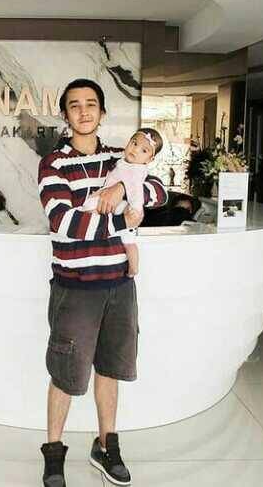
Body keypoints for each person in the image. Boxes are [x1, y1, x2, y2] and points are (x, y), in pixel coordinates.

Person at [37, 78, 167, 487]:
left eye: (91, 104)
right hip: (75, 286)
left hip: (118, 285)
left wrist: (122, 185)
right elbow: (63, 222)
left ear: (103, 112)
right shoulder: (53, 163)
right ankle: (53, 453)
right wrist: (120, 219)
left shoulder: (120, 156)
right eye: (74, 105)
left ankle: (106, 445)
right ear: (65, 114)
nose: (83, 111)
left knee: (109, 368)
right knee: (66, 374)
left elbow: (159, 191)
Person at [81, 128, 164, 276]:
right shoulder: (121, 160)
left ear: (149, 159)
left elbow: (144, 192)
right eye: (134, 143)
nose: (135, 150)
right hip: (113, 204)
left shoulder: (137, 169)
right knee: (127, 241)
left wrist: (131, 203)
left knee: (128, 241)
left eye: (144, 150)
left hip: (125, 207)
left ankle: (134, 268)